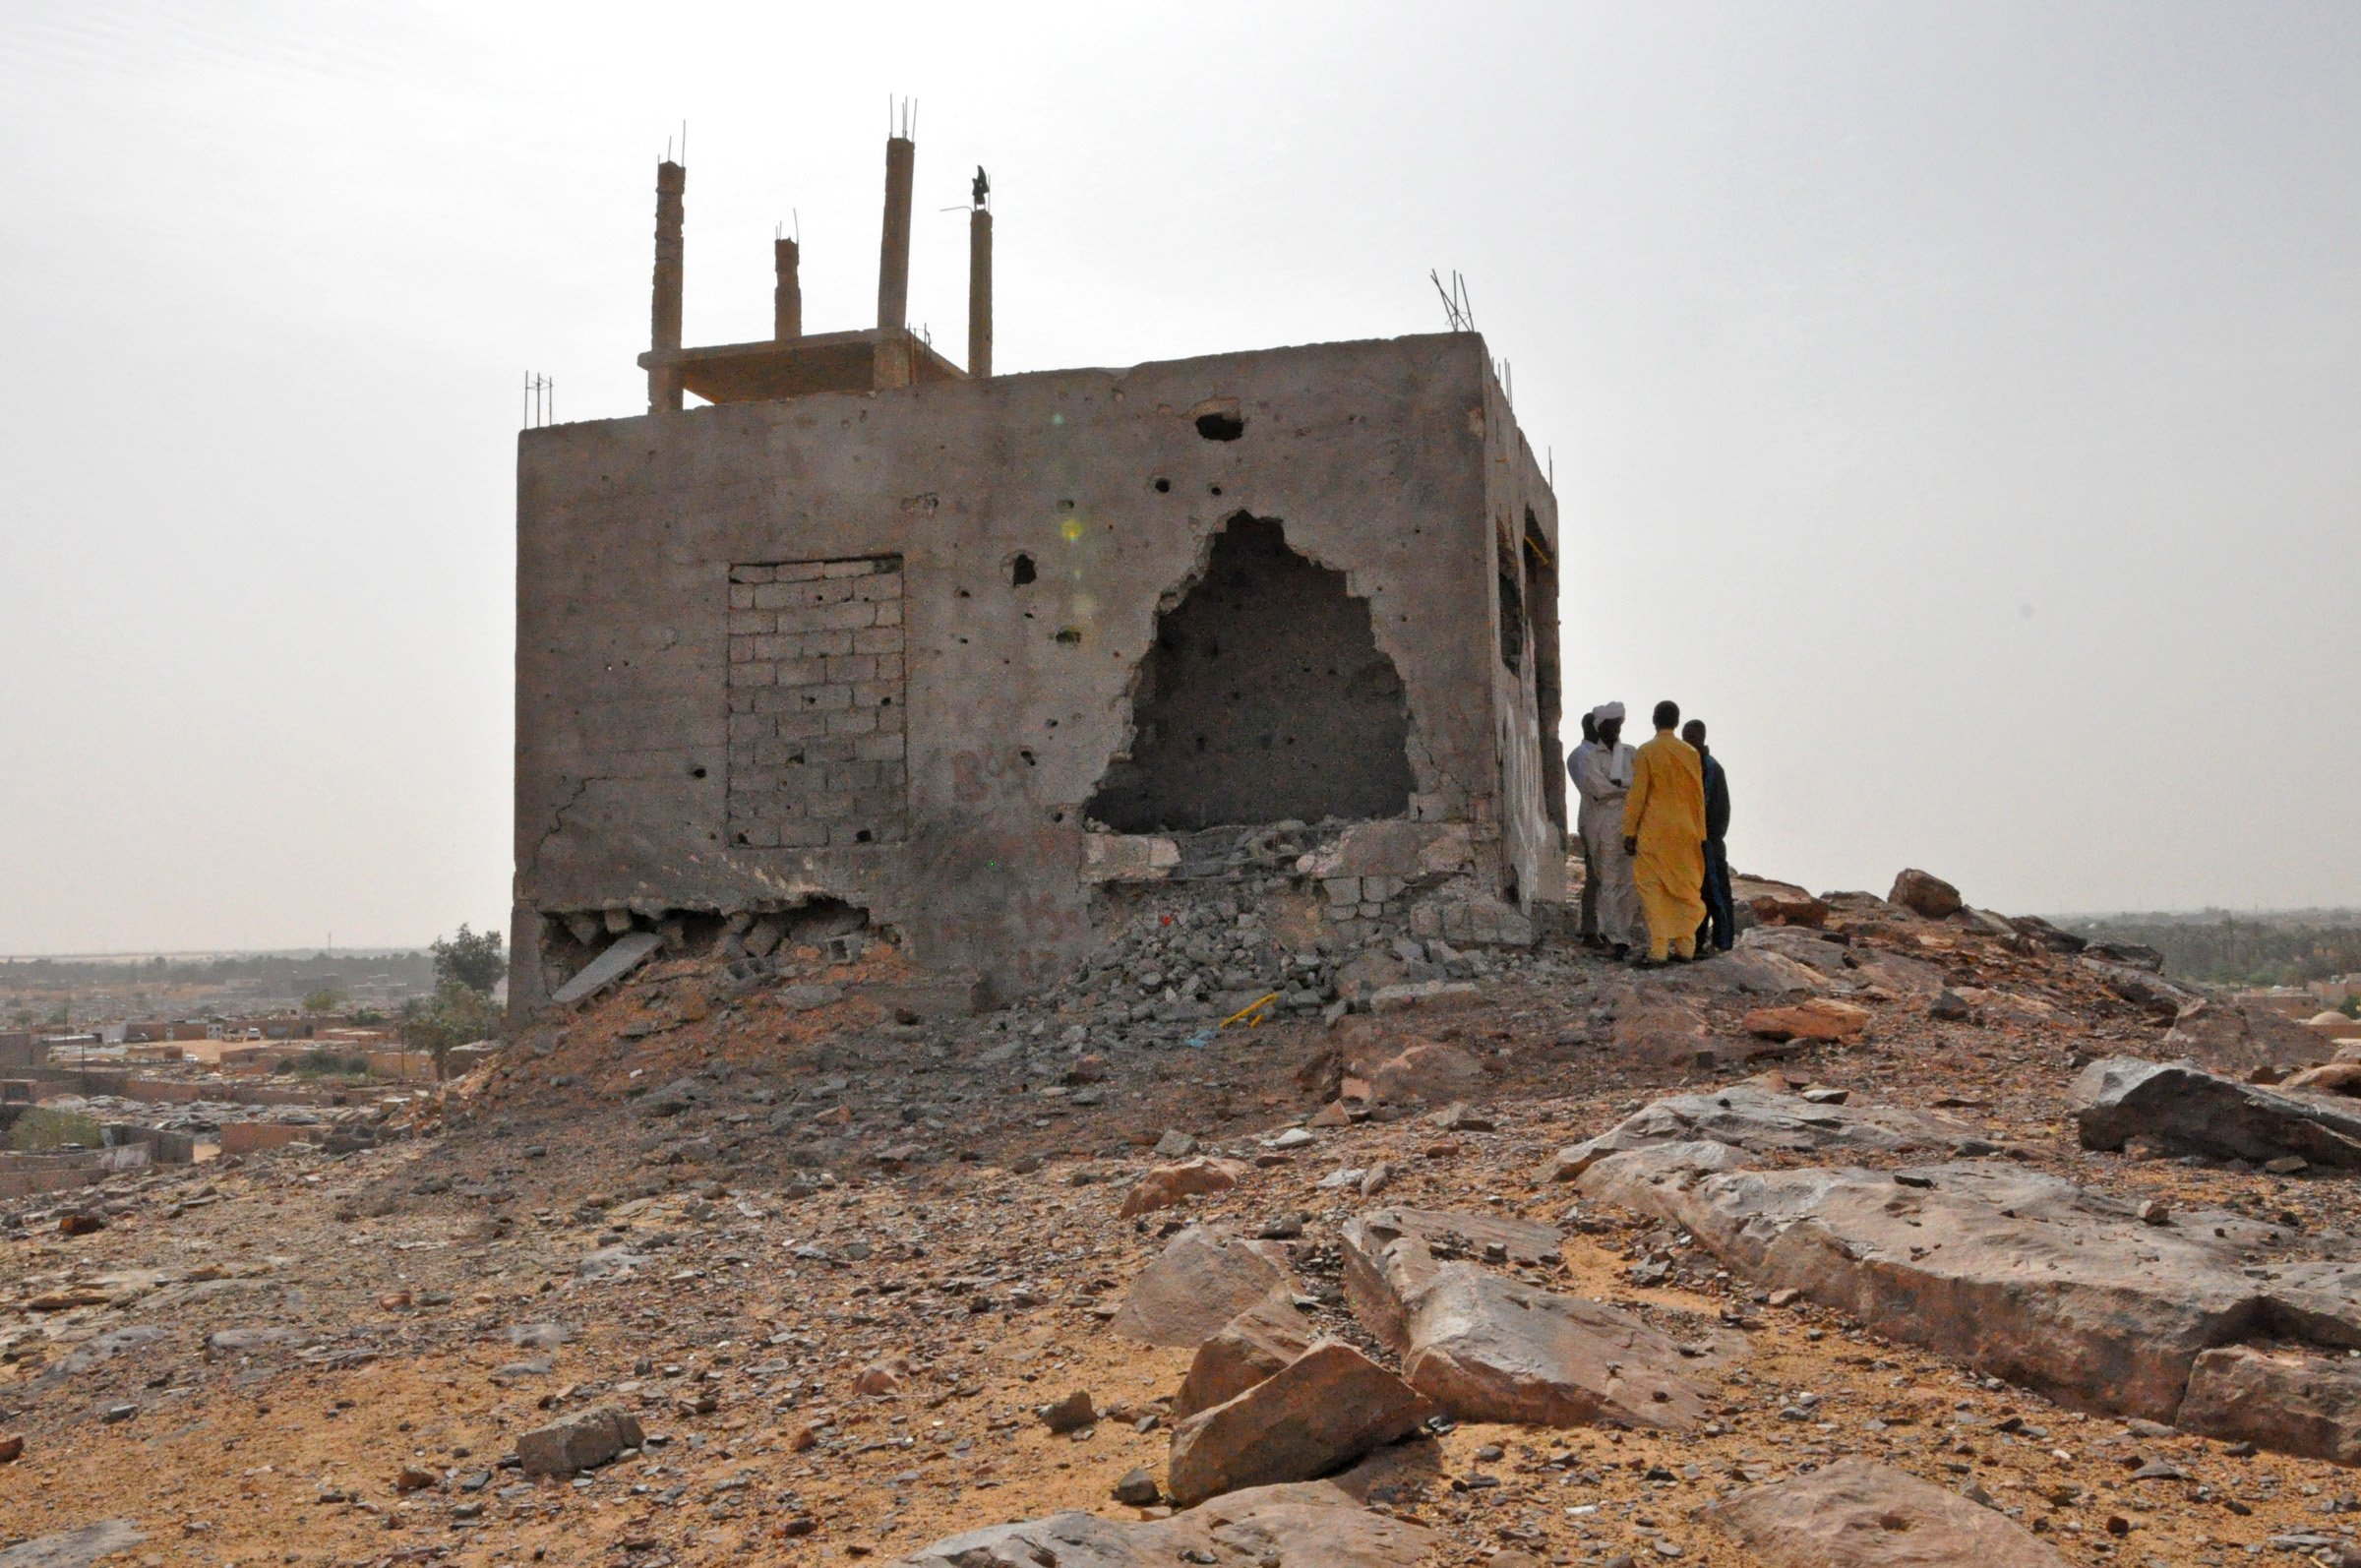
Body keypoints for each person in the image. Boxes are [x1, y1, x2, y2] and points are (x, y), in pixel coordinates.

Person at [1620, 699, 1707, 964]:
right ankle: (1685, 947)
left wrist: (1629, 831)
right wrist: (1701, 835)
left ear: (1654, 720)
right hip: (1686, 829)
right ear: (1677, 722)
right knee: (1684, 888)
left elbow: (1638, 795)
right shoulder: (1691, 753)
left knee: (1652, 888)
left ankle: (1658, 951)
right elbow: (1697, 796)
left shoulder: (1647, 751)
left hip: (1655, 829)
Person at [1569, 703, 1640, 956]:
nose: (1614, 730)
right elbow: (1598, 789)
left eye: (1617, 725)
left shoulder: (1630, 753)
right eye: (1609, 726)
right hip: (1600, 827)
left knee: (1628, 883)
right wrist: (1624, 789)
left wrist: (1620, 786)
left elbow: (1640, 785)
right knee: (1607, 882)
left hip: (1628, 825)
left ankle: (1623, 937)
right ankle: (1612, 937)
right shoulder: (1587, 757)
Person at [1682, 718, 1734, 953]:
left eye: (1692, 737)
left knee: (1716, 893)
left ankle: (1723, 942)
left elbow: (1719, 809)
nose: (1688, 742)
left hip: (1708, 842)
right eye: (1685, 737)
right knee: (1695, 894)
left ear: (1701, 738)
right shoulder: (1685, 764)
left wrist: (1710, 837)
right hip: (1689, 841)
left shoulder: (1711, 768)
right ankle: (1697, 941)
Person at [1571, 709, 1601, 942]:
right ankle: (1590, 929)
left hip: (1611, 821)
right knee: (1595, 876)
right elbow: (1591, 789)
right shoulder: (1580, 755)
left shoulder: (1606, 754)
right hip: (1592, 821)